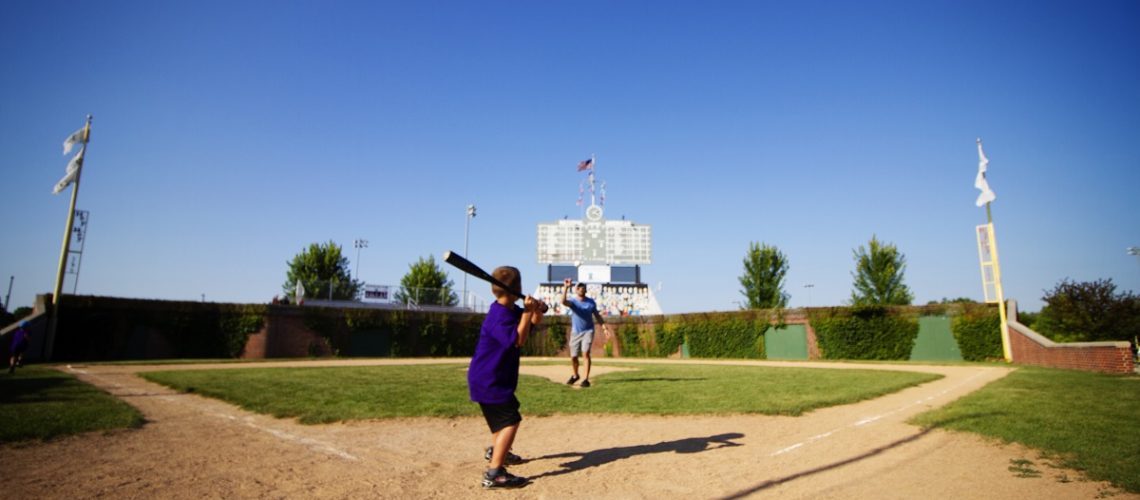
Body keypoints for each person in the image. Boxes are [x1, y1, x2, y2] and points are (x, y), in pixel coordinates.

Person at [467, 266, 545, 489]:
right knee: (511, 420)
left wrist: (535, 311)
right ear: (517, 288)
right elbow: (519, 340)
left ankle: (497, 452)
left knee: (502, 421)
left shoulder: (511, 310)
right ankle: (494, 473)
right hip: (489, 379)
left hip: (494, 378)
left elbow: (532, 323)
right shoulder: (498, 316)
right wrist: (528, 312)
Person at [561, 278, 609, 388]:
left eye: (582, 287)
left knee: (585, 352)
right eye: (578, 287)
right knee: (573, 357)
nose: (581, 288)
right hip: (575, 332)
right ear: (576, 290)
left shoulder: (591, 302)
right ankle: (575, 375)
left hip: (588, 331)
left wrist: (604, 328)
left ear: (585, 290)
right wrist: (566, 287)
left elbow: (597, 316)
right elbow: (563, 302)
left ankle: (585, 379)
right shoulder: (573, 302)